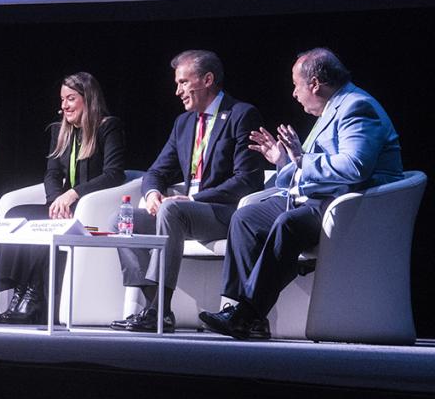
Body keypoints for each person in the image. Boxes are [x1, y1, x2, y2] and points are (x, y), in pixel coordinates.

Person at [200, 48, 404, 340]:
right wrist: (283, 160)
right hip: (320, 198)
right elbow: (305, 167)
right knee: (246, 217)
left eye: (297, 85)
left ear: (315, 83)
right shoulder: (330, 110)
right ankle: (242, 311)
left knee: (289, 223)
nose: (294, 93)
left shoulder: (357, 106)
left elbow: (355, 167)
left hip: (352, 205)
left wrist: (300, 159)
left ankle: (249, 313)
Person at [111, 50, 264, 333]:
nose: (177, 90)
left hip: (222, 212)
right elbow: (155, 172)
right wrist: (152, 194)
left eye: (183, 82)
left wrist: (193, 198)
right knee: (123, 222)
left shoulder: (241, 115)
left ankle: (157, 311)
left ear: (207, 79)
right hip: (181, 212)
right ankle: (154, 306)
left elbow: (248, 180)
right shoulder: (184, 123)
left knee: (173, 209)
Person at [0, 72, 125, 324]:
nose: (64, 105)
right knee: (15, 216)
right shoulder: (59, 131)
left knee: (40, 225)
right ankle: (20, 294)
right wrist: (56, 201)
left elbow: (114, 174)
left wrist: (73, 195)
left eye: (71, 99)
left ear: (88, 98)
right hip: (62, 207)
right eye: (62, 99)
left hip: (89, 209)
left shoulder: (108, 127)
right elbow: (51, 174)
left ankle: (33, 300)